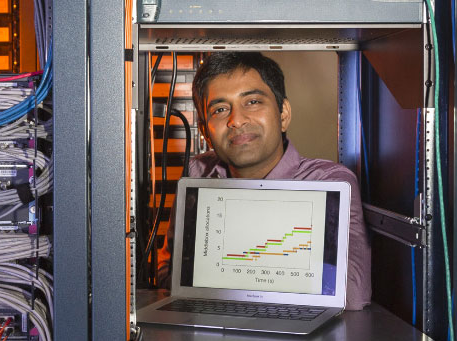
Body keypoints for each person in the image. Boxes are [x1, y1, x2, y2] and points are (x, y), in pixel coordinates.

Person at [156, 52, 371, 311]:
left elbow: (353, 294)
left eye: (253, 101)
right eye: (220, 109)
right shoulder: (197, 175)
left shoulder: (329, 182)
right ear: (204, 130)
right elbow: (168, 273)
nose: (236, 120)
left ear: (283, 115)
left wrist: (219, 280)